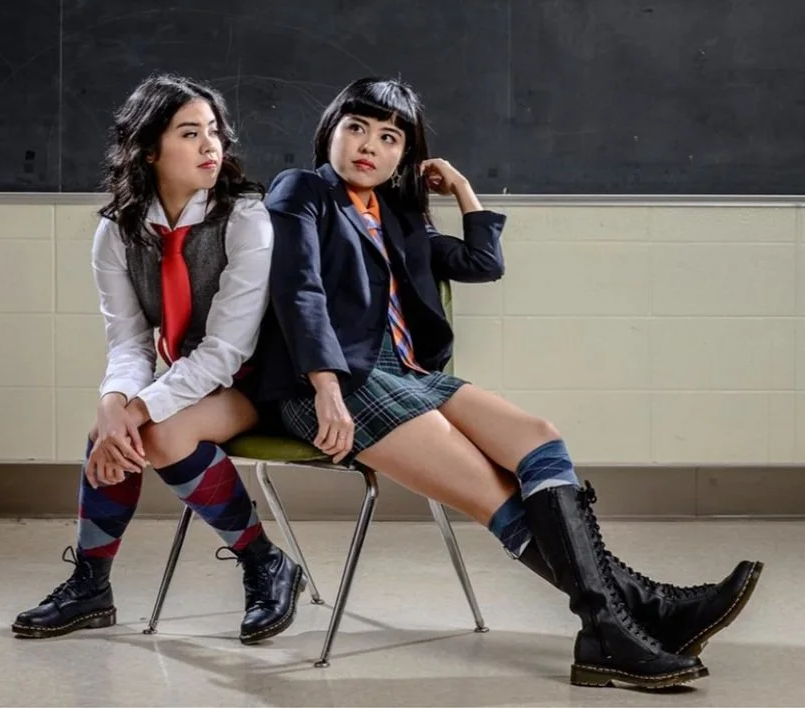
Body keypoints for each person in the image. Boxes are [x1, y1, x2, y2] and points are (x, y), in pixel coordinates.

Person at [256, 76, 763, 689]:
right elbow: (299, 292)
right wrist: (326, 389)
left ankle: (635, 616)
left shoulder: (393, 215)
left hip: (406, 374)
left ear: (405, 157)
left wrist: (462, 190)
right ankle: (621, 623)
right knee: (494, 491)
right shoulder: (302, 190)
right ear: (330, 132)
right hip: (332, 383)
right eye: (357, 128)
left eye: (390, 138)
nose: (370, 146)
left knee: (538, 438)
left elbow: (482, 263)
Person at [12, 74, 304, 644]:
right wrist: (113, 403)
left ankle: (264, 561)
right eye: (190, 134)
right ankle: (92, 586)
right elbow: (129, 342)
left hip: (264, 381)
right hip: (195, 382)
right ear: (149, 149)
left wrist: (136, 410)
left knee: (157, 433)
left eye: (214, 131)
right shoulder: (117, 231)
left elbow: (226, 352)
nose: (210, 145)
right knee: (112, 430)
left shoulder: (246, 219)